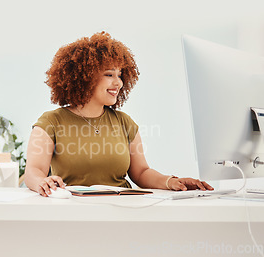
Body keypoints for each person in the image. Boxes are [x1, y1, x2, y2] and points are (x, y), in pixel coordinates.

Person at [24, 32, 213, 197]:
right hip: (74, 209)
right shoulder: (51, 122)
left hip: (123, 209)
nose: (119, 83)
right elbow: (34, 170)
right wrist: (42, 182)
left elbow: (141, 172)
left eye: (120, 75)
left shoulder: (125, 122)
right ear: (84, 77)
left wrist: (171, 182)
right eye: (109, 75)